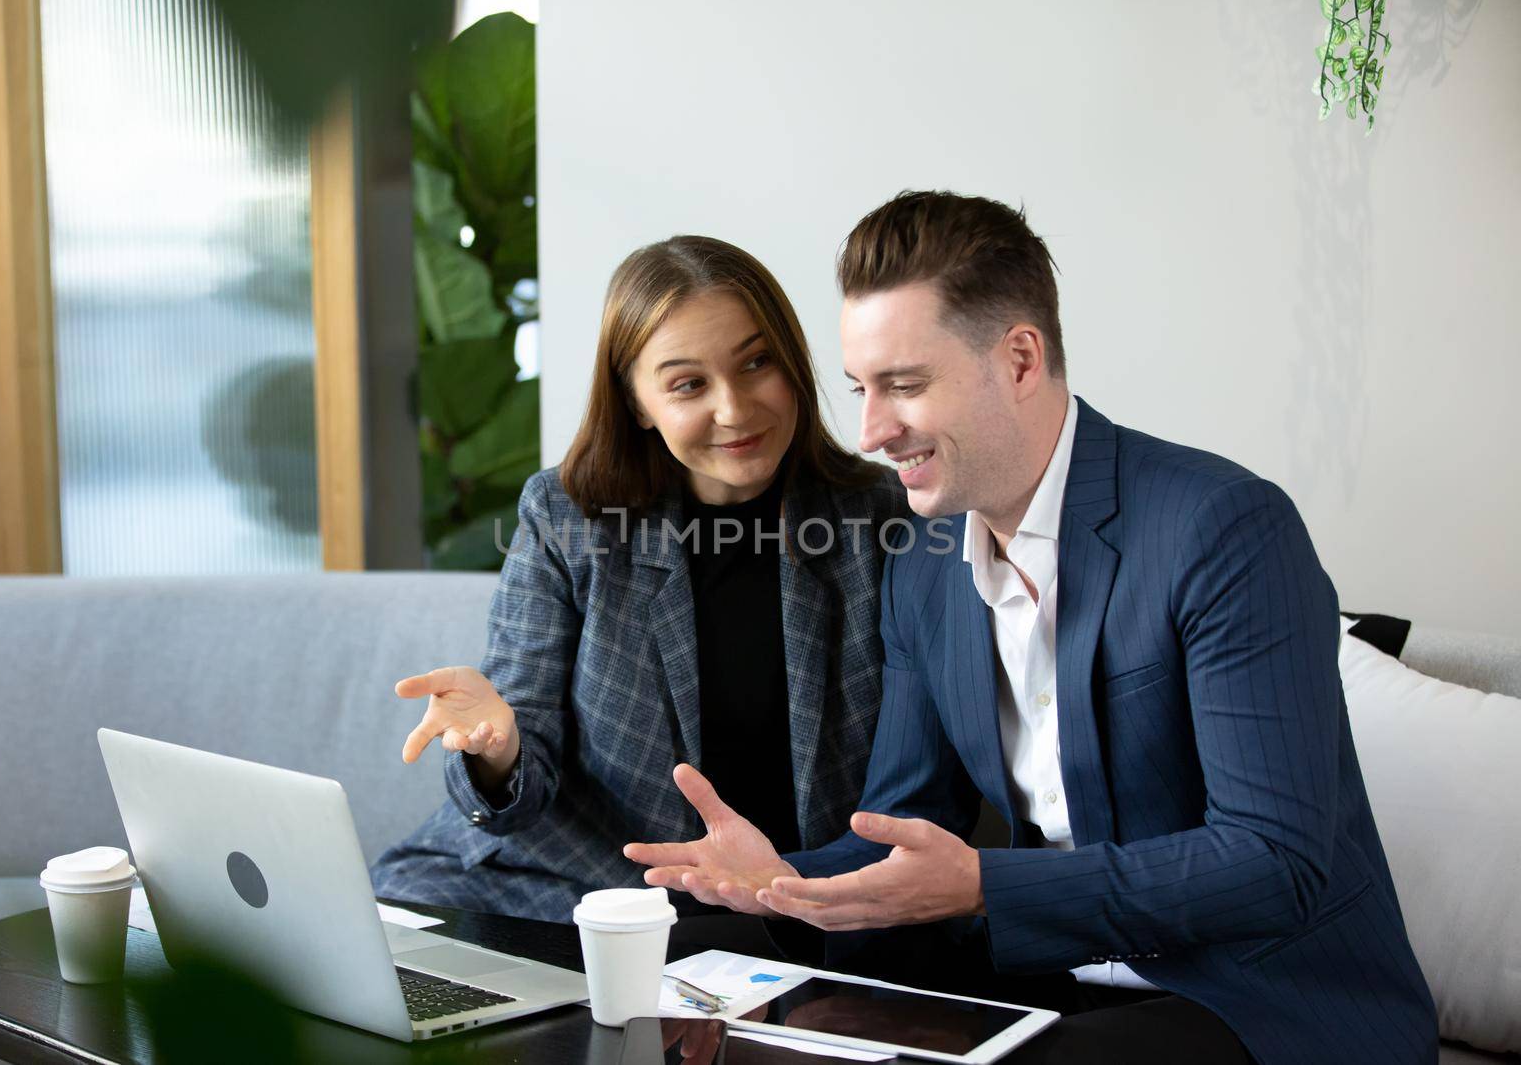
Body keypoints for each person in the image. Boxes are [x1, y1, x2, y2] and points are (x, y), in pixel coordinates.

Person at [625, 192, 1438, 1063]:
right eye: (862, 388)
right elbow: (901, 822)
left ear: (1018, 358)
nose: (871, 431)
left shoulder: (1224, 528)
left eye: (904, 385)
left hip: (1259, 999)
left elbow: (1275, 860)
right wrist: (782, 876)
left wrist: (985, 885)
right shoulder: (929, 561)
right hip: (1051, 976)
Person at [371, 236, 907, 931]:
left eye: (756, 362)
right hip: (572, 891)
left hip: (788, 904)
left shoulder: (881, 515)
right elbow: (519, 776)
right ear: (638, 401)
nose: (735, 409)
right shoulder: (567, 518)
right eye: (688, 384)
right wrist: (499, 747)